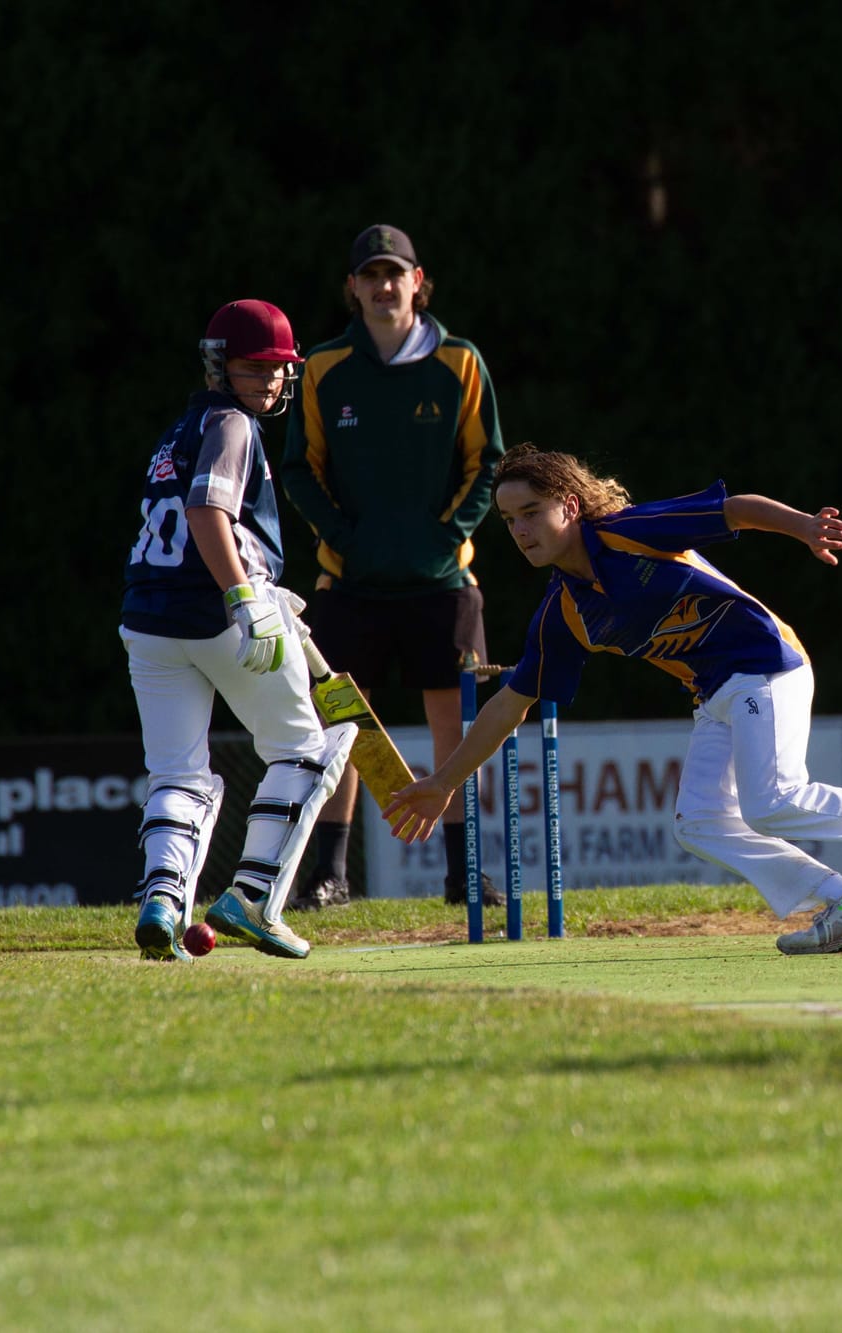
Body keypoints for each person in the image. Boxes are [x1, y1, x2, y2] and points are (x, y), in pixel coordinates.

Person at [380, 445, 842, 955]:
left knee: (774, 800)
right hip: (716, 696)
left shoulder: (628, 532)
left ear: (570, 506)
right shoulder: (563, 612)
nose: (519, 530)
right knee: (699, 821)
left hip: (767, 665)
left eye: (531, 512)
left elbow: (735, 511)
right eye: (509, 520)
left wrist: (805, 528)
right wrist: (444, 782)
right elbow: (509, 704)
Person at [121, 298, 356, 962]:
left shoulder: (178, 429)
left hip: (148, 618)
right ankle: (253, 895)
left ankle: (163, 901)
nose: (270, 381)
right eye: (255, 368)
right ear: (220, 366)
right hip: (220, 615)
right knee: (309, 749)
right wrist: (248, 596)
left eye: (278, 369)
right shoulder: (232, 425)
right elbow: (206, 512)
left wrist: (256, 580)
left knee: (177, 773)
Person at [280, 224, 505, 909]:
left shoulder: (460, 362)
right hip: (347, 583)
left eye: (394, 274)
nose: (383, 286)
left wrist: (449, 535)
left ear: (417, 280)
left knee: (452, 727)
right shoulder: (322, 367)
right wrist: (342, 537)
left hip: (442, 581)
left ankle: (463, 872)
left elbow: (489, 464)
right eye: (370, 275)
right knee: (343, 728)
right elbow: (299, 468)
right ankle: (331, 873)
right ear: (352, 287)